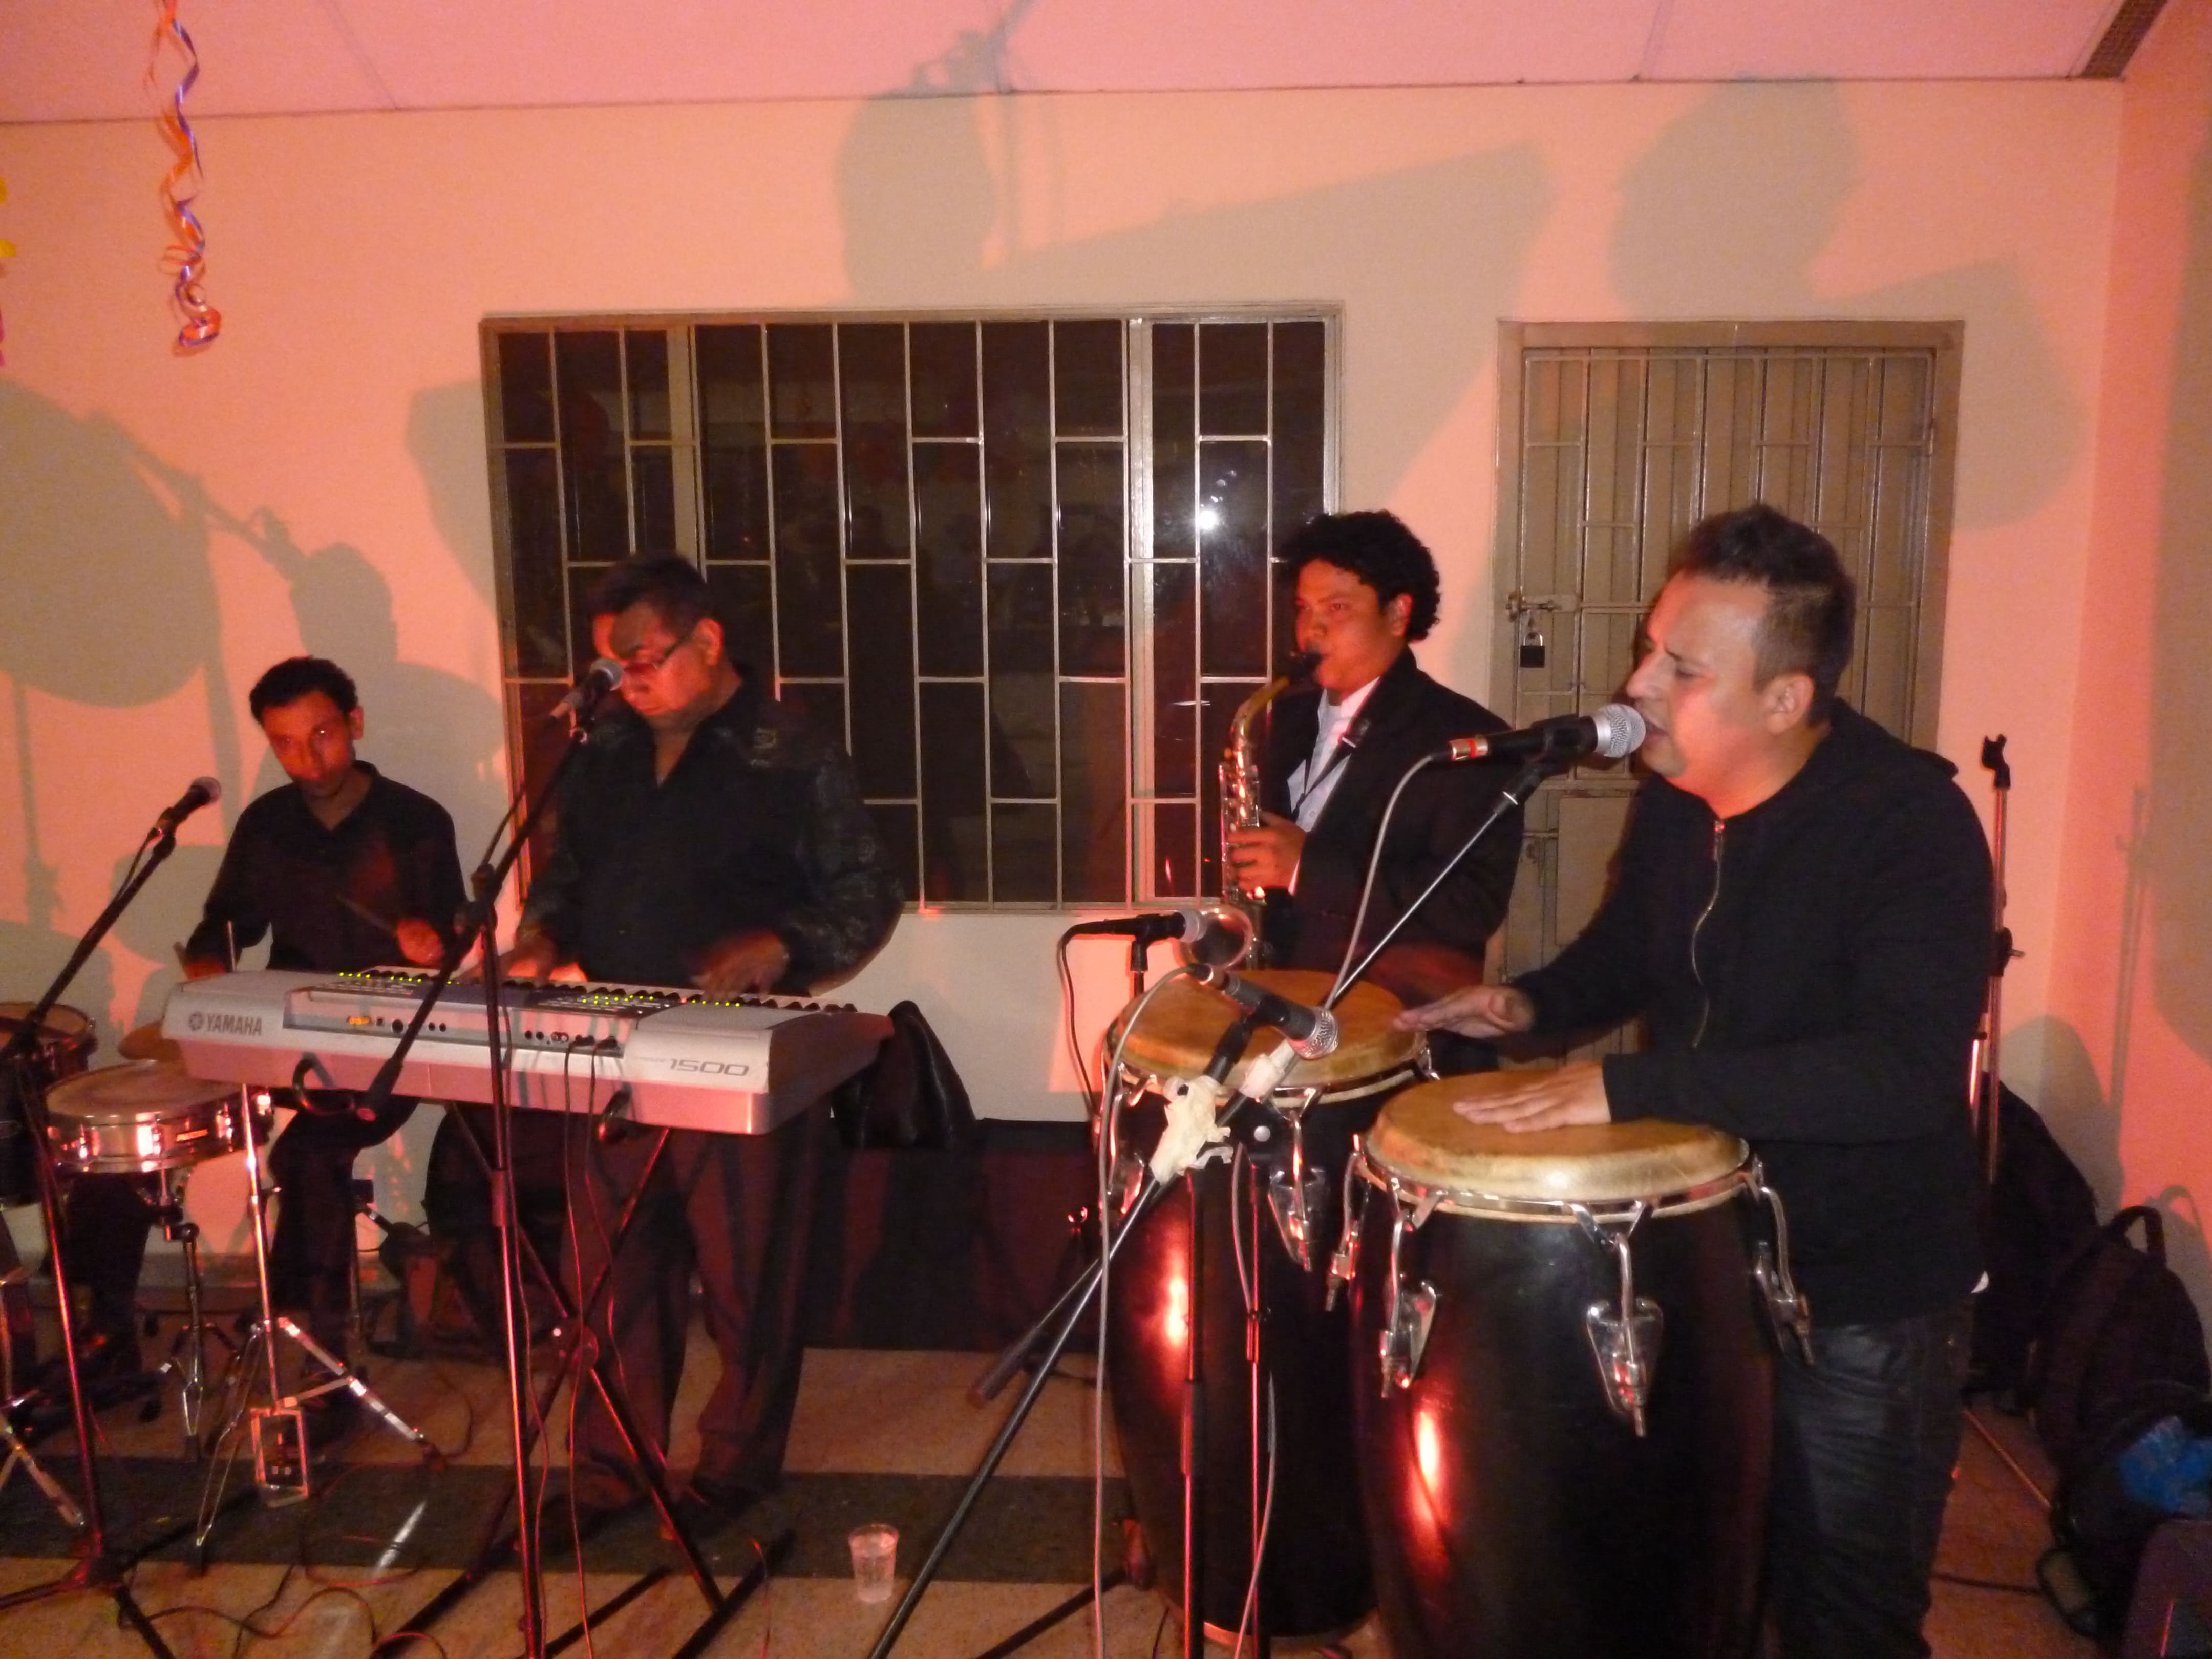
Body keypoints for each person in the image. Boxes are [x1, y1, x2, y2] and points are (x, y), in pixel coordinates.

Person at [1397, 504, 1991, 1659]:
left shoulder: (1909, 824)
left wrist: (1632, 1090)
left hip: (1860, 1291)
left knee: (1845, 1618)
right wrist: (1529, 1006)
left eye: (1683, 666)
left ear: (1785, 698)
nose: (1640, 686)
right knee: (1708, 1579)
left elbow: (1905, 1075)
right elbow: (1628, 954)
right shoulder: (1680, 799)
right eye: (1649, 651)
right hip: (1707, 1261)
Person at [504, 555, 901, 1534]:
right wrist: (540, 937)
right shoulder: (603, 751)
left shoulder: (791, 751)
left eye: (641, 659)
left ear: (708, 641)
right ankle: (611, 1468)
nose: (626, 682)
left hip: (741, 1046)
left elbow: (867, 894)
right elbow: (565, 875)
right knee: (609, 1268)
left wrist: (783, 944)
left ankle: (737, 1463)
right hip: (615, 1040)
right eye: (612, 666)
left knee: (746, 1272)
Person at [70, 656, 464, 1419]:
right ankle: (105, 1330)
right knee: (121, 1132)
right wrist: (208, 962)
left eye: (322, 734)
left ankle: (324, 1358)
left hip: (384, 1049)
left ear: (354, 723)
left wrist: (432, 942)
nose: (307, 758)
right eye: (285, 743)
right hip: (282, 1032)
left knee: (309, 1155)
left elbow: (453, 935)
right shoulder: (267, 825)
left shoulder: (417, 820)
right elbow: (225, 925)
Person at [1224, 510, 1523, 1062]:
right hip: (1287, 1008)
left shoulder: (1469, 739)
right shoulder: (1282, 717)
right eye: (1304, 609)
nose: (1311, 631)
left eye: (1337, 609)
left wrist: (1304, 868)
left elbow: (1470, 907)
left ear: (1398, 613)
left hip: (1397, 1031)